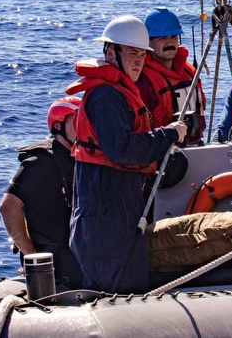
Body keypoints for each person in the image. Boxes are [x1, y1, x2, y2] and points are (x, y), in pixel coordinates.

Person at [67, 15, 187, 293]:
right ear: (111, 52)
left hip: (112, 202)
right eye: (131, 53)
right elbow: (121, 149)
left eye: (142, 56)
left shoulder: (115, 91)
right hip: (107, 206)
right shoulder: (107, 96)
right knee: (121, 288)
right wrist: (169, 135)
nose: (138, 61)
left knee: (124, 281)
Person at [0, 96, 84, 288]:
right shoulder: (40, 162)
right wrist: (31, 257)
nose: (83, 125)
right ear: (59, 126)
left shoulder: (79, 159)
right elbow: (8, 206)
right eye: (76, 120)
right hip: (55, 256)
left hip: (77, 247)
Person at [137, 7, 206, 145]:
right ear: (148, 42)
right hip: (163, 152)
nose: (170, 42)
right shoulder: (143, 80)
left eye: (173, 37)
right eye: (162, 38)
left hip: (196, 146)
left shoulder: (189, 71)